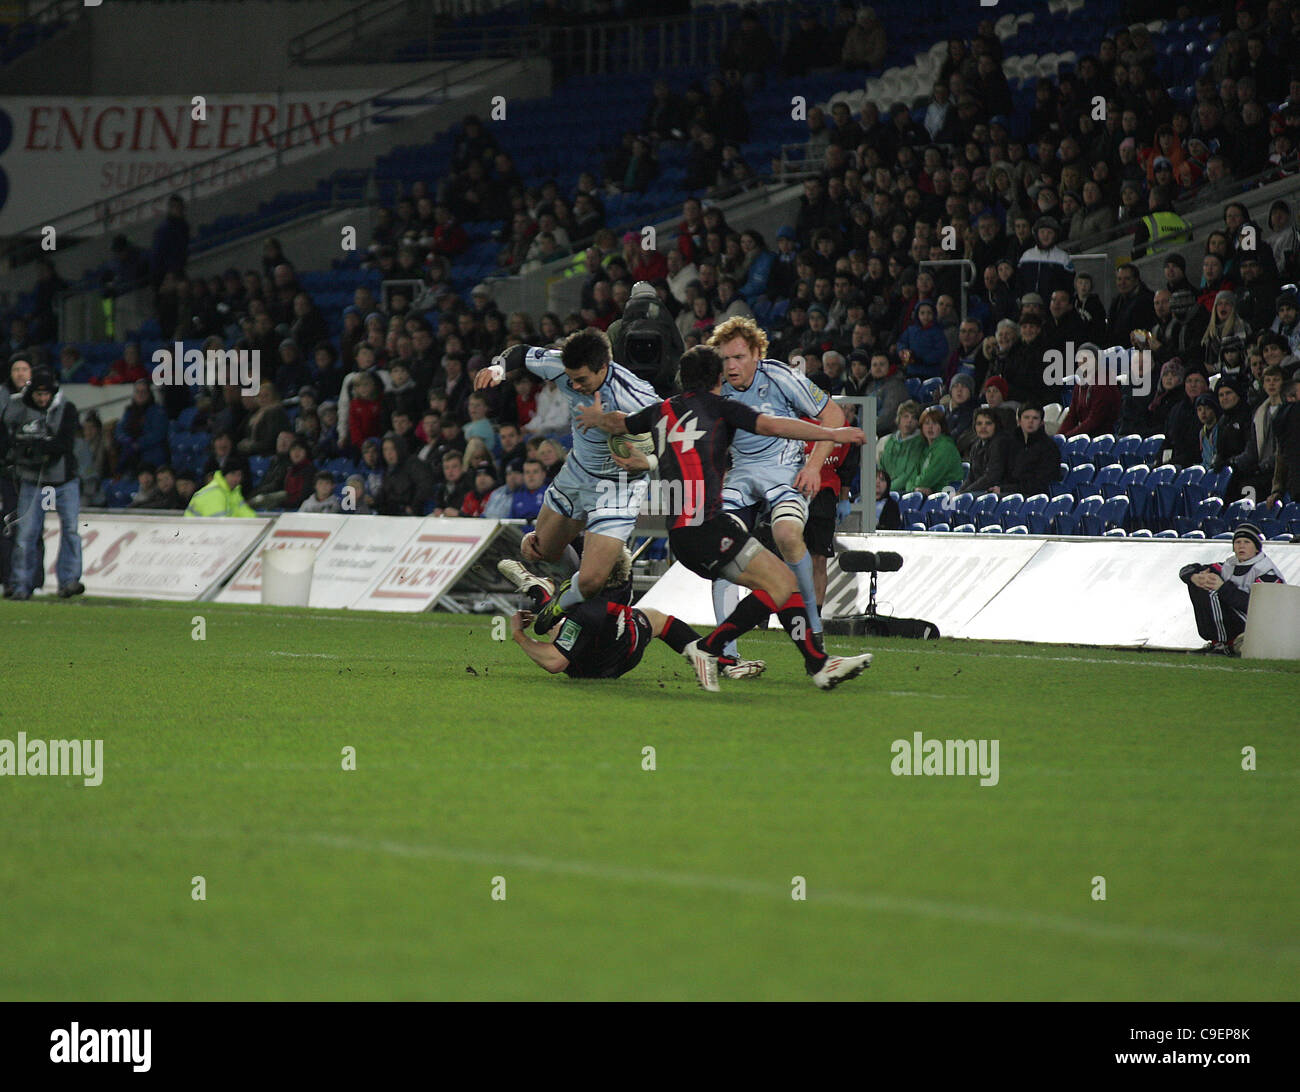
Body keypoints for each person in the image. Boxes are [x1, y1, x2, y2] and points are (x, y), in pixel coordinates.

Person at [577, 344, 871, 691]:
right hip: (709, 526)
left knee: (780, 586)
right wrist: (832, 434)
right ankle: (709, 648)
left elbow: (622, 423)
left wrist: (597, 418)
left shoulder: (661, 410)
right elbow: (775, 426)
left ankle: (819, 665)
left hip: (683, 536)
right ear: (718, 378)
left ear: (682, 379)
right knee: (781, 585)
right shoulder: (720, 407)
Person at [474, 328, 659, 618]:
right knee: (538, 550)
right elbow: (521, 352)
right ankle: (570, 594)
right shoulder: (563, 366)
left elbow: (681, 437)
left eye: (582, 380)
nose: (574, 385)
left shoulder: (636, 396)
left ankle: (570, 604)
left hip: (617, 488)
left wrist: (649, 463)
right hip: (576, 474)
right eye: (571, 378)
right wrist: (499, 367)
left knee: (590, 581)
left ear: (603, 368)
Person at [705, 316, 849, 671]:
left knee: (787, 535)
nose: (731, 366)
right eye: (725, 359)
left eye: (738, 357)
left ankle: (814, 637)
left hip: (784, 472)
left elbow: (834, 414)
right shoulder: (715, 386)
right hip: (740, 476)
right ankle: (727, 654)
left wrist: (814, 465)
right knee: (722, 549)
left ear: (756, 352)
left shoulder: (780, 376)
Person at [499, 554, 712, 682]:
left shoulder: (585, 609)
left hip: (591, 668)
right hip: (629, 646)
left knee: (558, 629)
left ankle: (537, 590)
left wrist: (519, 635)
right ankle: (719, 659)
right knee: (658, 620)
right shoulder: (623, 576)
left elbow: (555, 662)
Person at [0, 367, 83, 599]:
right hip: (32, 480)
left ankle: (69, 582)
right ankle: (21, 586)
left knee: (70, 530)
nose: (43, 399)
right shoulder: (18, 407)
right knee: (26, 533)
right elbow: (8, 436)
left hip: (63, 478)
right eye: (38, 394)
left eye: (46, 394)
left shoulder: (66, 408)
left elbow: (64, 444)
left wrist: (33, 447)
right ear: (32, 393)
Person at [1179, 524, 1284, 656]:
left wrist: (1222, 588)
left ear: (1256, 548)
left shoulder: (1266, 571)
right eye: (1238, 542)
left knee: (1213, 592)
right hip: (1244, 620)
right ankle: (1216, 642)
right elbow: (1186, 570)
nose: (1241, 546)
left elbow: (1260, 608)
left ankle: (1225, 644)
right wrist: (1194, 577)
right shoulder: (1229, 565)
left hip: (1264, 626)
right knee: (1201, 584)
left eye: (1247, 542)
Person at [998, 403, 1058, 497]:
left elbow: (1039, 484)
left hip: (1033, 496)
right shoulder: (1011, 443)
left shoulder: (1049, 447)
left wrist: (1004, 489)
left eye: (1035, 418)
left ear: (1041, 422)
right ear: (1019, 421)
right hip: (1010, 492)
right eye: (1026, 417)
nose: (1030, 421)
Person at [901, 407, 963, 495]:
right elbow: (912, 477)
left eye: (934, 423)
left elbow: (928, 478)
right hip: (934, 493)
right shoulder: (925, 449)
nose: (930, 427)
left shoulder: (945, 447)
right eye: (926, 423)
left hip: (949, 494)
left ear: (941, 427)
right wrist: (914, 488)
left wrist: (914, 487)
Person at [184, 455, 257, 517]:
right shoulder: (214, 493)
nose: (236, 478)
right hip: (193, 532)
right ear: (225, 475)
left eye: (239, 475)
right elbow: (218, 525)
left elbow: (247, 515)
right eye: (232, 474)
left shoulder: (234, 492)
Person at [960, 408, 1013, 494]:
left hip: (998, 492)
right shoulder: (976, 446)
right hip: (981, 490)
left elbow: (991, 477)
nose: (983, 427)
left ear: (996, 425)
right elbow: (971, 477)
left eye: (988, 423)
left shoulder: (1000, 443)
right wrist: (960, 492)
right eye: (979, 423)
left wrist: (966, 492)